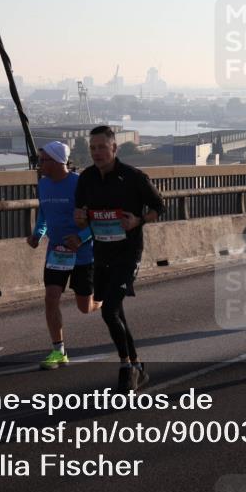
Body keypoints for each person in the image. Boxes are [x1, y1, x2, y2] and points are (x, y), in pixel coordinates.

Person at [75, 126, 165, 391]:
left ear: (114, 149)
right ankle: (137, 365)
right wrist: (80, 218)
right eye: (93, 148)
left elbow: (160, 206)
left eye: (102, 147)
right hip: (101, 254)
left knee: (109, 309)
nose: (97, 152)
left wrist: (138, 219)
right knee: (117, 314)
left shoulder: (133, 177)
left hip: (128, 254)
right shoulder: (86, 179)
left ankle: (126, 366)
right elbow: (81, 213)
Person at [27, 141, 97, 370]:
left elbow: (97, 218)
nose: (40, 165)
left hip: (83, 253)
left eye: (44, 160)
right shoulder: (44, 185)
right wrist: (37, 234)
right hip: (56, 253)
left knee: (85, 307)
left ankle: (104, 295)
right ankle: (58, 351)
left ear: (58, 161)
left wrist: (82, 238)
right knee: (51, 297)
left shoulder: (80, 184)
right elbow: (44, 215)